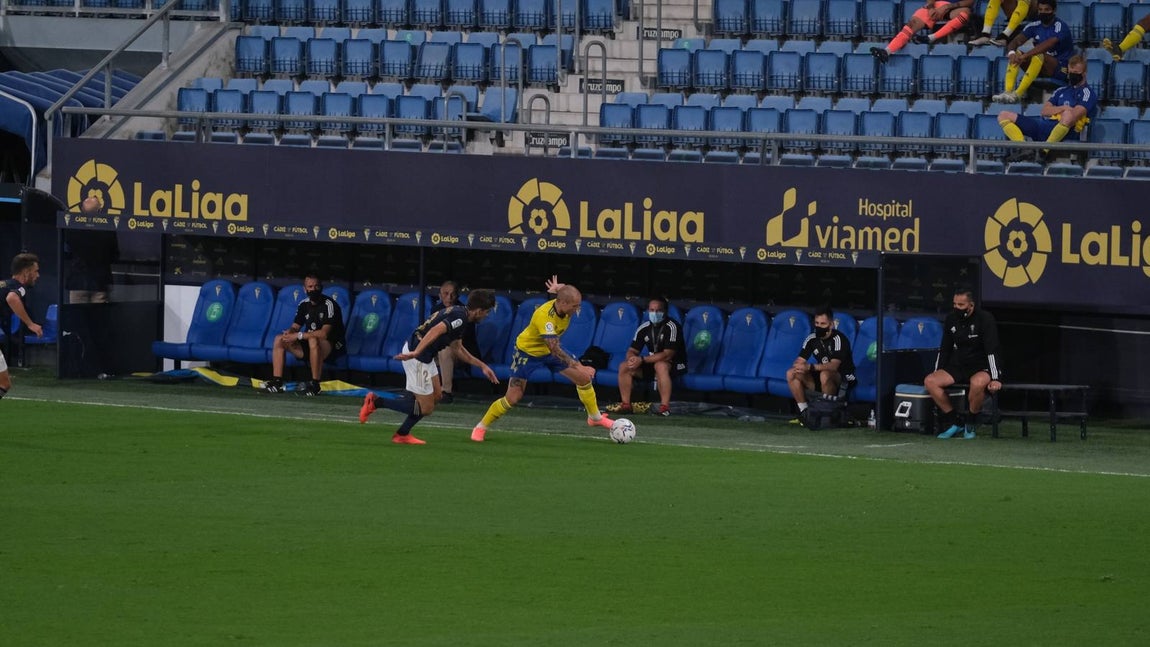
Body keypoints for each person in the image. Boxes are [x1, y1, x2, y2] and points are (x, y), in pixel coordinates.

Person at [471, 276, 613, 442]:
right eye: (575, 306)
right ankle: (481, 426)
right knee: (513, 397)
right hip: (528, 353)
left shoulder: (564, 304)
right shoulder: (545, 317)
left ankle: (595, 418)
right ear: (564, 304)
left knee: (583, 379)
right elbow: (554, 348)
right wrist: (579, 366)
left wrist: (560, 287)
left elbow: (565, 294)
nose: (577, 309)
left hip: (549, 349)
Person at [359, 289, 499, 444]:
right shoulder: (460, 317)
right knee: (426, 408)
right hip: (418, 356)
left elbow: (457, 348)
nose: (487, 316)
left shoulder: (460, 315)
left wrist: (482, 366)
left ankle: (402, 434)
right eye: (487, 312)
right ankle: (376, 402)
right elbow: (435, 330)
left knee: (437, 396)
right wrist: (416, 352)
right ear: (479, 311)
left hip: (424, 355)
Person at [924, 289, 1003, 440]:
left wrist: (996, 377)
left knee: (977, 383)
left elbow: (992, 349)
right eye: (955, 304)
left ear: (971, 305)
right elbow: (945, 349)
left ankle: (971, 423)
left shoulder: (985, 319)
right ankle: (956, 421)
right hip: (959, 364)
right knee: (930, 381)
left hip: (981, 365)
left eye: (961, 305)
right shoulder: (951, 319)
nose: (957, 307)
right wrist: (937, 370)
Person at [998, 54, 1097, 163]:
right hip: (1044, 125)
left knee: (1068, 115)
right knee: (1003, 115)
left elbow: (1074, 115)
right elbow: (1045, 111)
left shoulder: (1087, 93)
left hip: (1067, 132)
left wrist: (1059, 110)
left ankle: (1044, 151)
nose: (1073, 76)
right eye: (1070, 73)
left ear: (1084, 74)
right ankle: (1024, 148)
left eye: (1076, 73)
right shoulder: (1061, 90)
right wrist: (1063, 108)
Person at [263, 274, 346, 396]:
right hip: (309, 344)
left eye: (316, 286)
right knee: (279, 339)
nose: (313, 289)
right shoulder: (303, 304)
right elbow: (295, 326)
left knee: (313, 339)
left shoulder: (329, 305)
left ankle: (315, 384)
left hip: (331, 346)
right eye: (310, 286)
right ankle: (277, 382)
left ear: (321, 288)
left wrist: (298, 335)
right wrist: (290, 332)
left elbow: (323, 334)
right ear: (305, 289)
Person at [613, 297, 687, 417]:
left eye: (658, 310)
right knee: (624, 366)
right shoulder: (644, 327)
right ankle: (626, 405)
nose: (655, 313)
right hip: (652, 362)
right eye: (652, 310)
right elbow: (632, 350)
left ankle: (664, 407)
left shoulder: (672, 327)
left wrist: (642, 359)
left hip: (675, 364)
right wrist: (632, 358)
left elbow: (668, 354)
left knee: (660, 365)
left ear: (665, 311)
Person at [991, 0, 1074, 104]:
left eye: (1047, 10)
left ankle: (1018, 94)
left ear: (1054, 10)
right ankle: (1008, 91)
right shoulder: (1034, 26)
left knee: (1038, 55)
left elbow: (1048, 44)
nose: (1043, 12)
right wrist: (1011, 53)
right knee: (1017, 54)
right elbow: (1016, 41)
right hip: (1038, 66)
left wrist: (1026, 55)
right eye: (1040, 10)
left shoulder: (1060, 26)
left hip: (1061, 69)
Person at [786, 307, 856, 428]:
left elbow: (834, 366)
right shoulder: (811, 338)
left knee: (825, 374)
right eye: (817, 323)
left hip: (844, 378)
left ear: (831, 324)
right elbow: (799, 360)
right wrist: (799, 366)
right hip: (821, 376)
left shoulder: (839, 339)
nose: (819, 327)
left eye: (823, 324)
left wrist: (810, 367)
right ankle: (806, 414)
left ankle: (826, 415)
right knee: (791, 373)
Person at [870, 1, 975, 63]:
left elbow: (970, 2)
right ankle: (887, 51)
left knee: (965, 13)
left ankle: (931, 37)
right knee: (911, 24)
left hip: (953, 7)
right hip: (935, 6)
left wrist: (947, 7)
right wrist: (931, 8)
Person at [1, 253, 43, 399]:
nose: (37, 275)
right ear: (26, 273)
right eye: (36, 271)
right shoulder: (19, 288)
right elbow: (12, 298)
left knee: (4, 383)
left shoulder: (4, 284)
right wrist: (30, 324)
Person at [65, 196, 119, 304]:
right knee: (97, 318)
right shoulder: (108, 230)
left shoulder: (73, 228)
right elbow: (114, 256)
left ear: (81, 209)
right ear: (99, 209)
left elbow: (67, 252)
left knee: (78, 317)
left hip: (79, 283)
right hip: (99, 283)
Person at [432, 281, 462, 403]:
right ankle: (419, 390)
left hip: (460, 352)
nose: (449, 298)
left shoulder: (462, 311)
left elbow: (458, 342)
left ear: (457, 296)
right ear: (440, 295)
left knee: (445, 349)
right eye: (445, 294)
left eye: (452, 294)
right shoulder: (436, 310)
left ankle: (446, 392)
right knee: (417, 350)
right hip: (437, 349)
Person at [970, 0, 1036, 46]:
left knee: (1025, 2)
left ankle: (1004, 36)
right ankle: (985, 34)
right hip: (1013, 8)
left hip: (1033, 9)